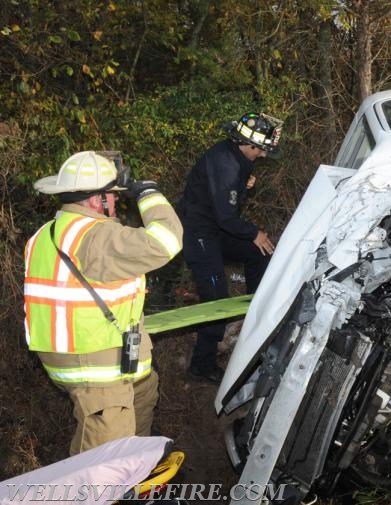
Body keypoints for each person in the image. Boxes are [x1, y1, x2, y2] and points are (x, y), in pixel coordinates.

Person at [23, 151, 183, 455]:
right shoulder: (98, 236)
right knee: (103, 464)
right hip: (92, 363)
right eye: (114, 195)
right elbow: (167, 240)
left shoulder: (47, 233)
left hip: (74, 351)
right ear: (98, 200)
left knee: (144, 393)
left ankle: (137, 473)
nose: (118, 202)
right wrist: (149, 194)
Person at [176, 112, 282, 383]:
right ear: (248, 145)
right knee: (217, 300)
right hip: (199, 234)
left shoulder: (237, 155)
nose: (263, 156)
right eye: (261, 150)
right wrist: (253, 232)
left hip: (217, 229)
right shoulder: (224, 165)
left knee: (260, 251)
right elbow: (228, 216)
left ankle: (253, 319)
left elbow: (229, 203)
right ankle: (202, 364)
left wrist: (244, 185)